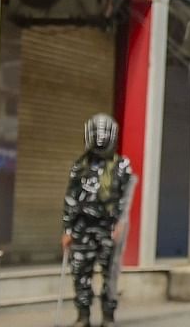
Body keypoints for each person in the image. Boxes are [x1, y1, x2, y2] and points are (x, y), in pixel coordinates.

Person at [61, 114, 134, 327]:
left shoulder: (122, 166)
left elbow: (126, 199)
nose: (100, 138)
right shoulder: (80, 166)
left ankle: (108, 316)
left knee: (109, 275)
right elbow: (70, 199)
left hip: (109, 229)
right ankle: (83, 316)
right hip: (82, 228)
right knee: (80, 273)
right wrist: (67, 229)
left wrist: (121, 223)